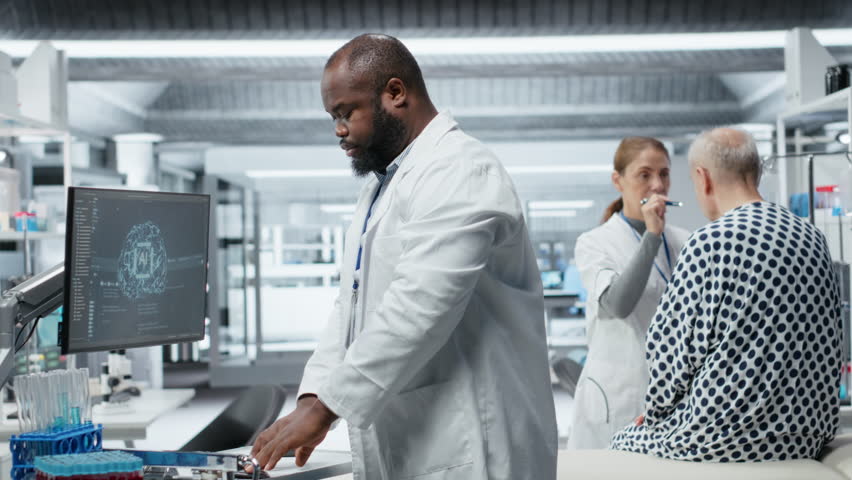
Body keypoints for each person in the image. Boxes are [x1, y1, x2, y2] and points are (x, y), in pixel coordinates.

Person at [250, 34, 558, 479]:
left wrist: (327, 409)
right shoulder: (383, 186)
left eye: (345, 112)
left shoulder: (460, 168)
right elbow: (351, 306)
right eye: (332, 117)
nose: (338, 130)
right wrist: (313, 396)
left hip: (477, 439)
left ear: (395, 93)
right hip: (419, 433)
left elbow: (421, 304)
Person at [611, 128, 842, 461]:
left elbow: (670, 354)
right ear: (755, 172)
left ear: (703, 179)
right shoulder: (812, 237)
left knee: (620, 440)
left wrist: (655, 418)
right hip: (804, 435)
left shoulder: (711, 242)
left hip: (722, 440)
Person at [569, 137, 691, 449]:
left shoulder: (685, 241)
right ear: (617, 181)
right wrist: (651, 236)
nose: (657, 185)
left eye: (664, 174)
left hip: (671, 397)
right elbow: (617, 304)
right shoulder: (594, 243)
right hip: (619, 393)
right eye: (644, 175)